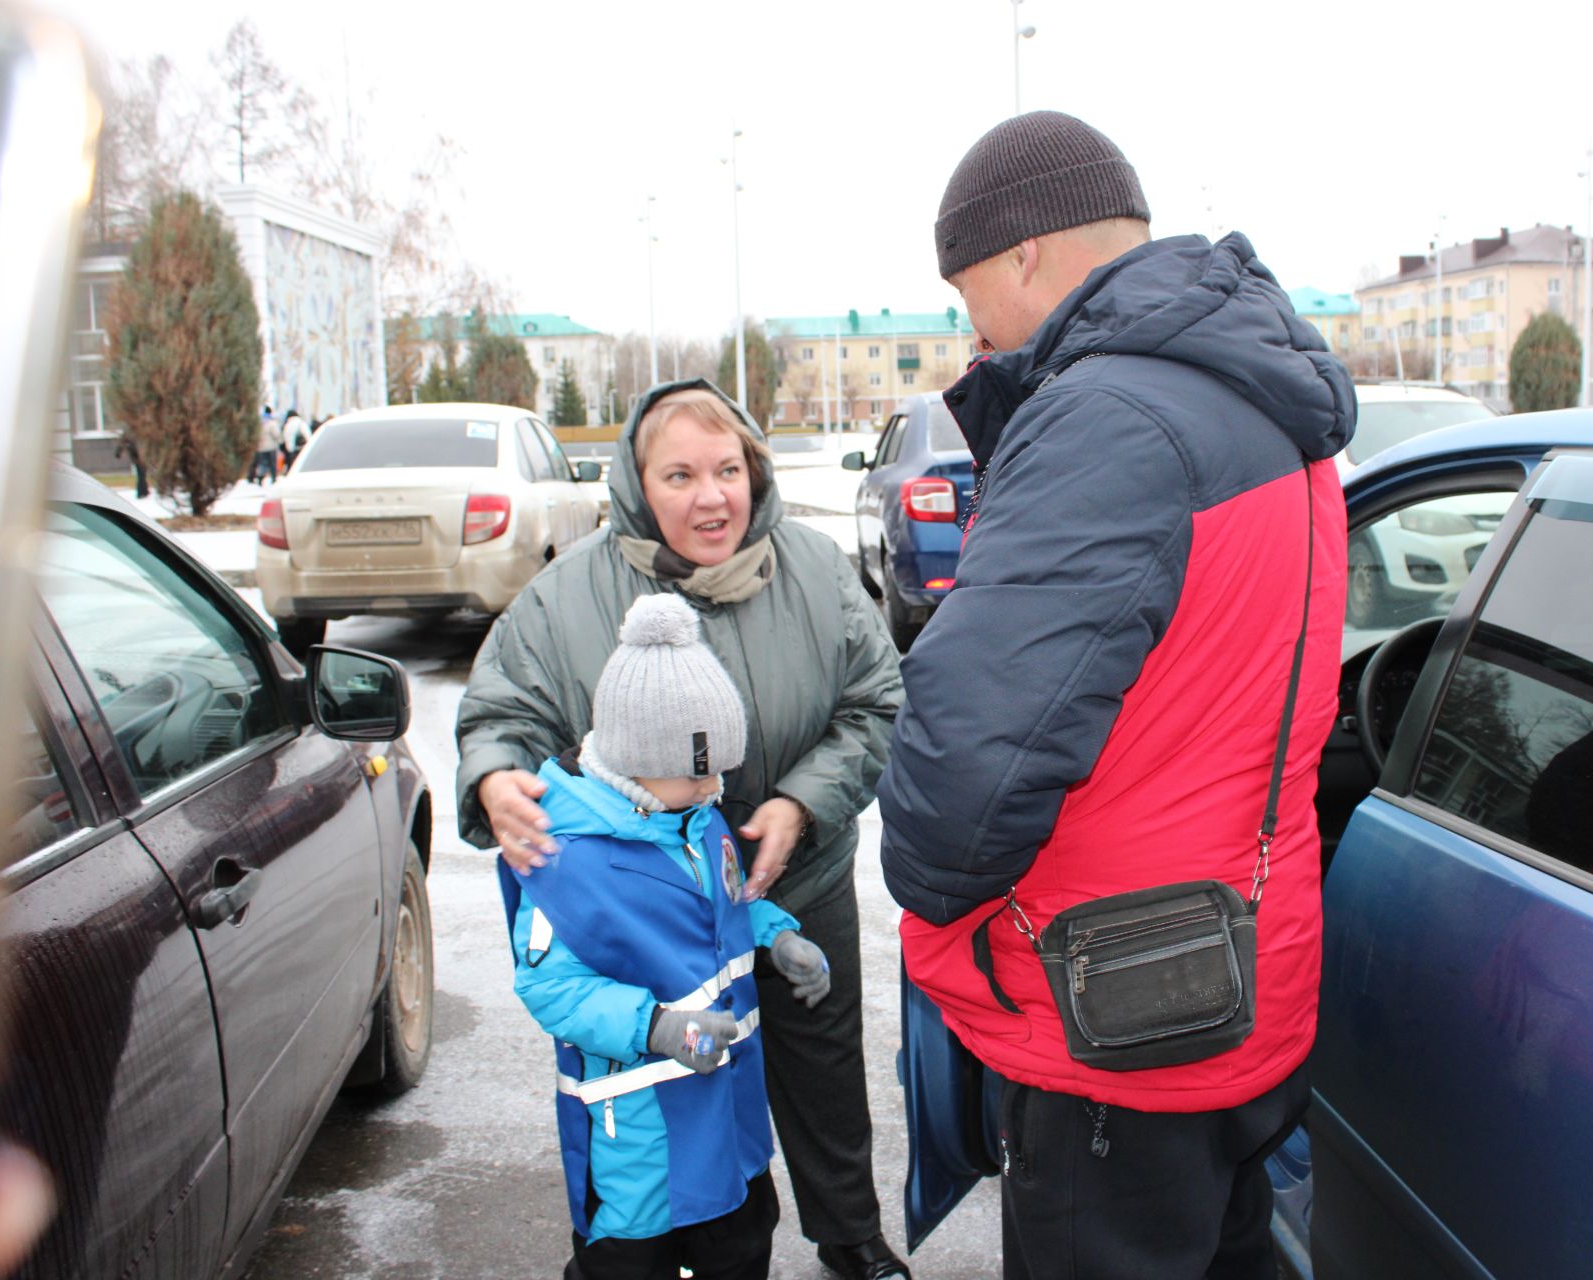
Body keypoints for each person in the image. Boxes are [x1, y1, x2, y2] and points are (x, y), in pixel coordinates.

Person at [878, 111, 1356, 1278]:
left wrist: (924, 879)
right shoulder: (1265, 399)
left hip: (1119, 1015)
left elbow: (964, 775)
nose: (971, 330)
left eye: (967, 293)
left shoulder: (1106, 421)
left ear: (1024, 257)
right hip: (1253, 973)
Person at [458, 381, 911, 1280]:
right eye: (680, 475)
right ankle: (635, 1243)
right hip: (644, 917)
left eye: (728, 469)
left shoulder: (816, 572)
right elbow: (500, 713)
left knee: (821, 1070)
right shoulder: (567, 598)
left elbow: (877, 704)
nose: (712, 496)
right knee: (663, 1082)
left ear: (756, 471)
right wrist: (494, 777)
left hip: (797, 883)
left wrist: (798, 804)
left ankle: (848, 1233)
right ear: (635, 484)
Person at [501, 592, 834, 1280]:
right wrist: (655, 1026)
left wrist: (777, 939)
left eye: (718, 768)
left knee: (743, 1246)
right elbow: (550, 986)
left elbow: (726, 909)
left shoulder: (696, 819)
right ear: (635, 756)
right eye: (699, 769)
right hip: (638, 1140)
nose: (716, 784)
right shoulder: (561, 857)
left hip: (728, 1118)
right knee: (632, 1265)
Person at [250, 404, 279, 485]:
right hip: (271, 447)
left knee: (263, 464)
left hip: (261, 447)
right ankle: (273, 478)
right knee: (272, 464)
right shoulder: (271, 423)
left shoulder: (260, 422)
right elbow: (276, 434)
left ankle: (260, 477)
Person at [279, 405, 309, 471]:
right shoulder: (301, 423)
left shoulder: (287, 425)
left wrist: (289, 448)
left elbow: (283, 438)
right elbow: (307, 435)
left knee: (293, 466)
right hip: (301, 448)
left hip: (291, 450)